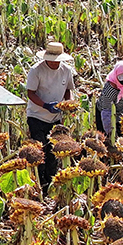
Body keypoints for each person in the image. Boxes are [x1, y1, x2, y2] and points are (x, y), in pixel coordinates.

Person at [26, 42, 76, 193]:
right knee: (39, 151)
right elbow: (30, 93)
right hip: (37, 116)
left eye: (57, 60)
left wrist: (68, 104)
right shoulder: (36, 70)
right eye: (51, 60)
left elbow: (68, 90)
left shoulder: (66, 70)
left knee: (53, 153)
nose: (54, 63)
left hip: (56, 119)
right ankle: (39, 185)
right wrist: (45, 105)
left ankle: (51, 185)